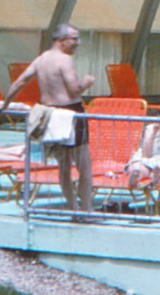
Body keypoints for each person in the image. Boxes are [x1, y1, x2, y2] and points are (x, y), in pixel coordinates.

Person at [1, 23, 95, 212]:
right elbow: (74, 90)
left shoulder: (41, 59)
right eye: (74, 39)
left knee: (64, 167)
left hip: (51, 115)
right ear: (62, 40)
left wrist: (4, 106)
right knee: (84, 166)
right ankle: (86, 209)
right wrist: (87, 82)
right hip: (71, 113)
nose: (78, 43)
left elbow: (19, 82)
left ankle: (74, 208)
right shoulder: (65, 60)